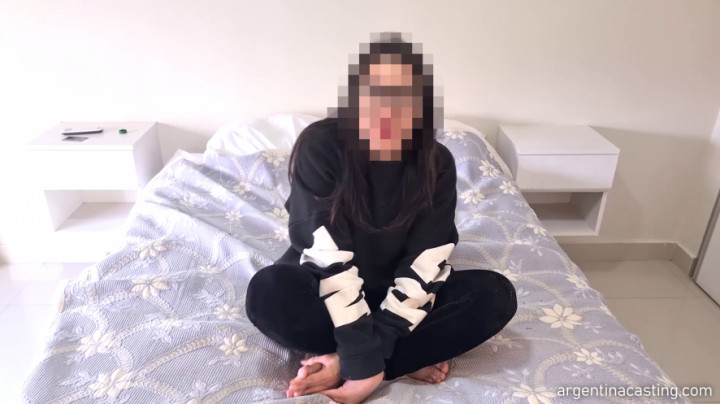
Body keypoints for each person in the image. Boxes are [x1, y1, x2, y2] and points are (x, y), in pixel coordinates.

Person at [245, 33, 517, 404]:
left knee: (495, 295)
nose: (388, 110)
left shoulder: (436, 162)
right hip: (327, 289)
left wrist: (364, 363)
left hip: (402, 296)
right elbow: (327, 259)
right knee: (268, 292)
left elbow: (425, 262)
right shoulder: (320, 147)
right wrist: (362, 352)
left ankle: (346, 363)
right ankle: (400, 357)